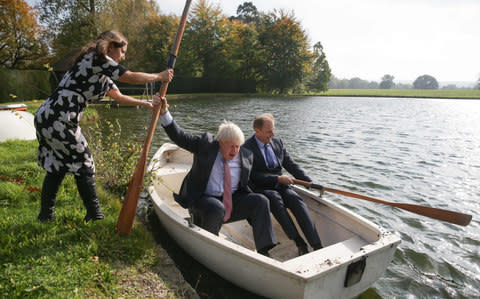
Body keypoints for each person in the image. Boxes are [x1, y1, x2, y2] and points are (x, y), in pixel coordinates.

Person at [34, 30, 173, 223]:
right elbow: (130, 76)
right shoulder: (97, 59)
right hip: (59, 117)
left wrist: (146, 104)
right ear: (110, 47)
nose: (123, 57)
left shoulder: (98, 69)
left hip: (48, 115)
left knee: (57, 165)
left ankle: (45, 216)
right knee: (84, 161)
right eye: (122, 51)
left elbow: (118, 96)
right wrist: (159, 76)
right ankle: (94, 215)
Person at [154, 95, 277, 256]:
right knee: (216, 208)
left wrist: (276, 184)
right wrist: (164, 113)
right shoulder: (206, 145)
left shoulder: (246, 155)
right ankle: (208, 248)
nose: (235, 151)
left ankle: (264, 251)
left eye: (238, 146)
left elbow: (251, 181)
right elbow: (179, 136)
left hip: (231, 202)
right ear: (221, 142)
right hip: (202, 200)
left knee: (261, 201)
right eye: (231, 146)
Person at [243, 113, 323, 255]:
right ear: (257, 130)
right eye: (269, 131)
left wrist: (309, 183)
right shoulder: (246, 148)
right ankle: (299, 242)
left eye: (273, 130)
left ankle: (317, 246)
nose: (272, 134)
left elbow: (291, 165)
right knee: (275, 200)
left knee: (296, 201)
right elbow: (251, 176)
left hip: (281, 185)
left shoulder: (277, 142)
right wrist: (277, 179)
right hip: (261, 187)